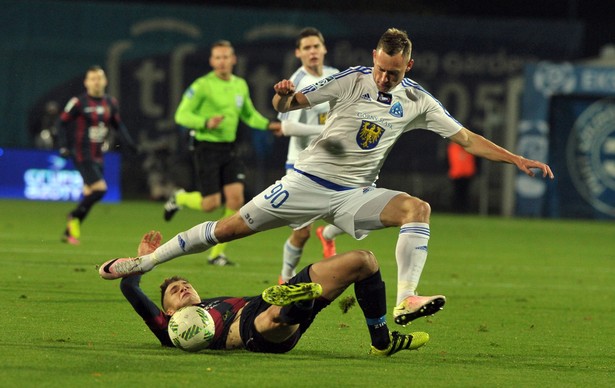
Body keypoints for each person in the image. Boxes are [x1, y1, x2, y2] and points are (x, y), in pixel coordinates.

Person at [99, 28, 554, 326]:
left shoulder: (417, 100)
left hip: (355, 195)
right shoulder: (351, 79)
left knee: (418, 209)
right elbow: (289, 104)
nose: (384, 77)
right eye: (379, 67)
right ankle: (147, 262)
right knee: (229, 227)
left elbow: (467, 138)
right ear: (372, 57)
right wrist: (280, 98)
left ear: (407, 68)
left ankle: (406, 300)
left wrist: (515, 159)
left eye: (393, 72)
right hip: (306, 184)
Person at [115, 230, 429, 356]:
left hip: (267, 298)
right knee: (272, 319)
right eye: (173, 290)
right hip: (254, 331)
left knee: (365, 261)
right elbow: (128, 286)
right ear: (167, 309)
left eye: (186, 285)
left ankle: (381, 341)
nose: (182, 288)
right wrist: (142, 261)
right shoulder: (169, 330)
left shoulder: (211, 303)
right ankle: (298, 302)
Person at [164, 40, 281, 266]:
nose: (222, 61)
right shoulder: (202, 85)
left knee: (236, 200)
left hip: (229, 148)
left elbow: (248, 114)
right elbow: (181, 115)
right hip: (206, 148)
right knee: (210, 204)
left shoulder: (240, 85)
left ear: (233, 59)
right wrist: (205, 121)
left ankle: (217, 253)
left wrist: (268, 125)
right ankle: (179, 197)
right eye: (218, 57)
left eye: (226, 57)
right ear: (211, 61)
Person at [275, 27, 345, 284]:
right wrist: (326, 130)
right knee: (301, 232)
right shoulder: (297, 82)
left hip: (332, 160)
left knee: (359, 210)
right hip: (301, 165)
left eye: (316, 46)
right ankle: (285, 278)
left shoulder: (335, 75)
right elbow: (288, 127)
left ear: (324, 48)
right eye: (306, 48)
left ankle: (327, 234)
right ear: (298, 53)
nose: (312, 51)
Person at [57, 65, 137, 245]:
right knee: (100, 189)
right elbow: (60, 123)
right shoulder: (78, 102)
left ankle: (69, 232)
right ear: (86, 82)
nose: (96, 82)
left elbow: (118, 126)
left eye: (99, 78)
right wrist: (63, 146)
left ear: (105, 81)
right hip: (81, 154)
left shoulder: (111, 103)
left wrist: (129, 143)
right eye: (92, 78)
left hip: (98, 155)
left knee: (89, 195)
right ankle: (73, 216)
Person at [447, 141, 477, 213]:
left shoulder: (469, 147)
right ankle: (456, 209)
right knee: (457, 193)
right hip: (456, 174)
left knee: (465, 193)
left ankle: (464, 209)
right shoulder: (453, 147)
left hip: (467, 174)